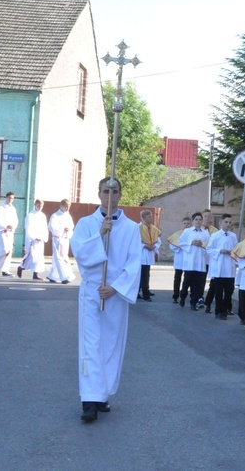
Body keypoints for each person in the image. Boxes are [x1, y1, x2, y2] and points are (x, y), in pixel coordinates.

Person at [70, 177, 142, 422]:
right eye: (105, 191)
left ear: (121, 195)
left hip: (115, 294)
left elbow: (134, 263)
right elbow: (79, 252)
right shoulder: (86, 223)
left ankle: (102, 395)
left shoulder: (132, 228)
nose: (110, 196)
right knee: (90, 345)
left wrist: (115, 287)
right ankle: (89, 399)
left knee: (111, 345)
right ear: (99, 194)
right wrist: (100, 234)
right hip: (92, 291)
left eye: (115, 191)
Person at [205, 214, 238, 319]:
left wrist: (233, 253)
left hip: (230, 268)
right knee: (218, 292)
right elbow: (209, 249)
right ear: (220, 223)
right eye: (226, 222)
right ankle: (219, 311)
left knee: (229, 291)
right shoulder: (215, 236)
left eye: (230, 222)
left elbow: (237, 249)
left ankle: (226, 308)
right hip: (219, 267)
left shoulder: (233, 236)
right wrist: (220, 251)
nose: (228, 224)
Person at [178, 212, 210, 310]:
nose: (198, 221)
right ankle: (183, 296)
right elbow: (180, 242)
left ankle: (193, 302)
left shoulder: (205, 233)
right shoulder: (187, 231)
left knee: (197, 284)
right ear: (193, 221)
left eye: (200, 219)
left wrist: (202, 245)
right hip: (190, 261)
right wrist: (191, 243)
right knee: (187, 282)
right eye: (196, 219)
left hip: (200, 262)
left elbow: (209, 246)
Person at [47, 199, 76, 284]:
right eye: (66, 206)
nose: (67, 208)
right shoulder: (55, 216)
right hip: (58, 239)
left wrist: (68, 229)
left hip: (65, 239)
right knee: (60, 258)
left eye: (69, 207)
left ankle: (53, 276)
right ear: (61, 206)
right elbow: (52, 227)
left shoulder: (68, 215)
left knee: (59, 257)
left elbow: (71, 225)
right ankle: (64, 277)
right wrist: (63, 229)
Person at [18, 199, 49, 280]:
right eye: (38, 205)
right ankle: (21, 267)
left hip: (40, 239)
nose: (40, 207)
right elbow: (28, 227)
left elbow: (45, 228)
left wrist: (43, 237)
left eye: (41, 206)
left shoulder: (43, 216)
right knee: (31, 255)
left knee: (39, 257)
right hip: (33, 239)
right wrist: (34, 237)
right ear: (35, 205)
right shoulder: (30, 215)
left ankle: (36, 273)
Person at [138, 209, 161, 302]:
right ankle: (145, 294)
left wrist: (154, 246)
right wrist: (144, 246)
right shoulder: (138, 227)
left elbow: (159, 240)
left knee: (146, 273)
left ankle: (144, 290)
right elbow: (135, 241)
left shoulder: (154, 228)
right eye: (149, 216)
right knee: (143, 275)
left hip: (149, 253)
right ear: (143, 218)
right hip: (142, 254)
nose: (151, 218)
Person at [168, 216, 192, 304]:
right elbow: (171, 245)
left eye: (188, 223)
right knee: (177, 278)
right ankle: (175, 295)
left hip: (189, 260)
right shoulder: (177, 234)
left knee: (187, 279)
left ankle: (185, 295)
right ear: (181, 224)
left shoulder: (192, 234)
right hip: (179, 259)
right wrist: (179, 247)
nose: (186, 225)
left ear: (191, 224)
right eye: (184, 223)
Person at [0, 192, 19, 276]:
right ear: (6, 198)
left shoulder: (13, 209)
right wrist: (6, 226)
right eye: (9, 198)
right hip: (2, 232)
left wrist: (13, 226)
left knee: (9, 252)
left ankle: (5, 270)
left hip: (10, 232)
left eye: (12, 198)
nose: (10, 200)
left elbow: (16, 220)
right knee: (3, 251)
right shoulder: (1, 208)